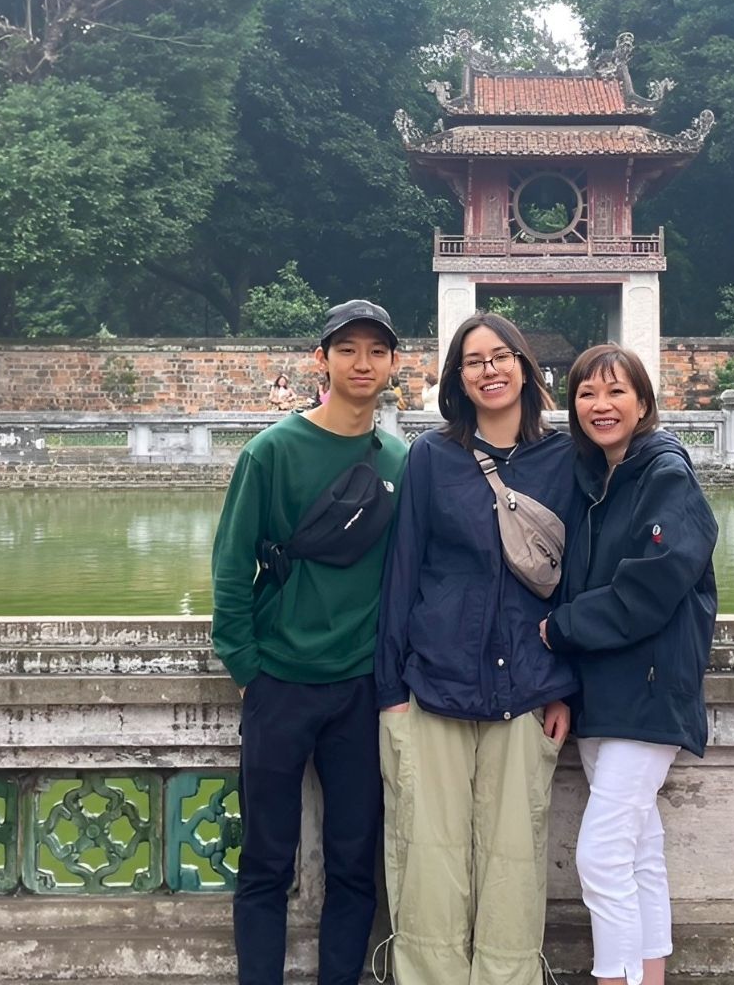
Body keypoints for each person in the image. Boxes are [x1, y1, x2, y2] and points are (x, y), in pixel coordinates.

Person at [211, 299, 409, 985]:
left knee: (356, 862)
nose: (362, 362)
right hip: (281, 681)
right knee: (267, 856)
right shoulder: (272, 452)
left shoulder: (400, 461)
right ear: (320, 359)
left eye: (375, 351)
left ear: (391, 366)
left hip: (361, 687)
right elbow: (232, 564)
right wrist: (245, 665)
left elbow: (412, 575)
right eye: (347, 349)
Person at [375, 313, 576, 985]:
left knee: (515, 857)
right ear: (456, 378)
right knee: (427, 854)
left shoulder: (565, 461)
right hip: (434, 682)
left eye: (500, 356)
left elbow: (576, 584)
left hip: (525, 688)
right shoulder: (432, 457)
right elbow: (403, 571)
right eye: (472, 361)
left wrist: (562, 684)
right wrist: (390, 692)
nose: (488, 370)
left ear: (525, 365)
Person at [540, 344, 719, 985]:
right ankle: (650, 975)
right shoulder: (595, 481)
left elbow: (650, 588)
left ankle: (614, 979)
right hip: (602, 693)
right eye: (587, 394)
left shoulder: (665, 474)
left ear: (643, 403)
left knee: (602, 854)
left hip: (648, 691)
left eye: (616, 392)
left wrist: (559, 630)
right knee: (640, 849)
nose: (601, 405)